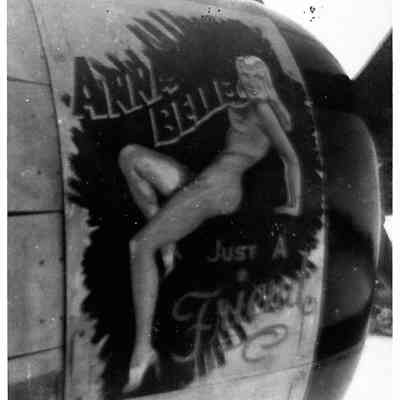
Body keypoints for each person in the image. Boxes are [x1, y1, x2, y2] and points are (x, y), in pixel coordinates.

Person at [118, 55, 302, 392]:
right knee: (130, 156)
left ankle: (142, 351)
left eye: (251, 76)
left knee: (139, 246)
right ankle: (167, 240)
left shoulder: (263, 109)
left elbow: (290, 158)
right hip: (202, 180)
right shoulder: (252, 106)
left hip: (219, 190)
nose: (245, 81)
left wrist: (295, 203)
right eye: (242, 75)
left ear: (261, 79)